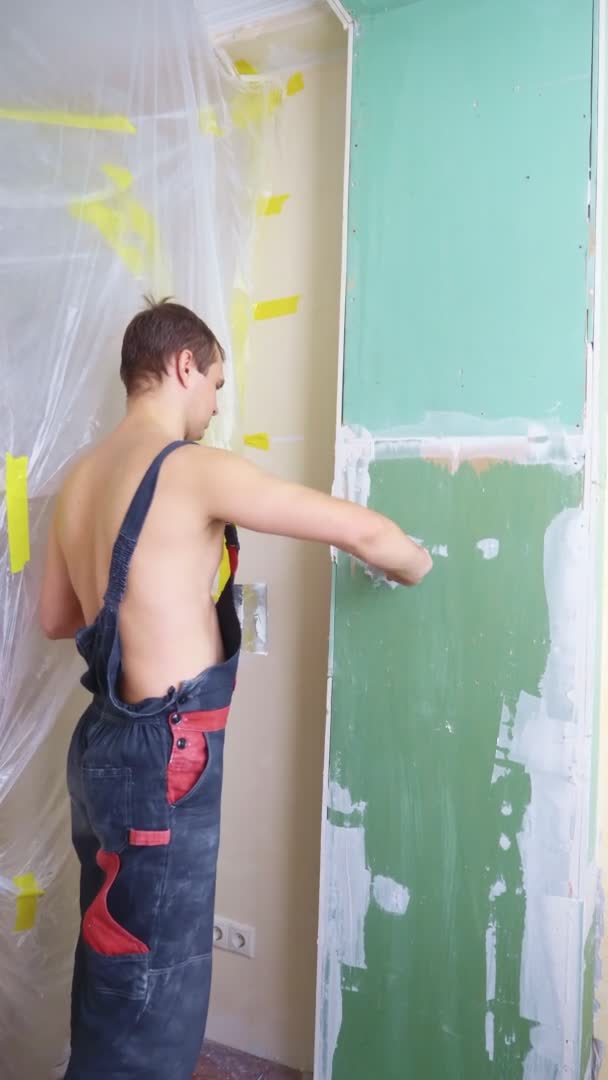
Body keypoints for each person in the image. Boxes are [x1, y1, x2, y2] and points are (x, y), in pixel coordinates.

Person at [39, 298, 432, 1079]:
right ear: (184, 365)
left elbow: (57, 617)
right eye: (216, 386)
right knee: (157, 991)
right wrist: (415, 563)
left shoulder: (79, 477)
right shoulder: (188, 469)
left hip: (102, 751)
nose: (215, 408)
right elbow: (362, 531)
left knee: (114, 960)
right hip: (165, 762)